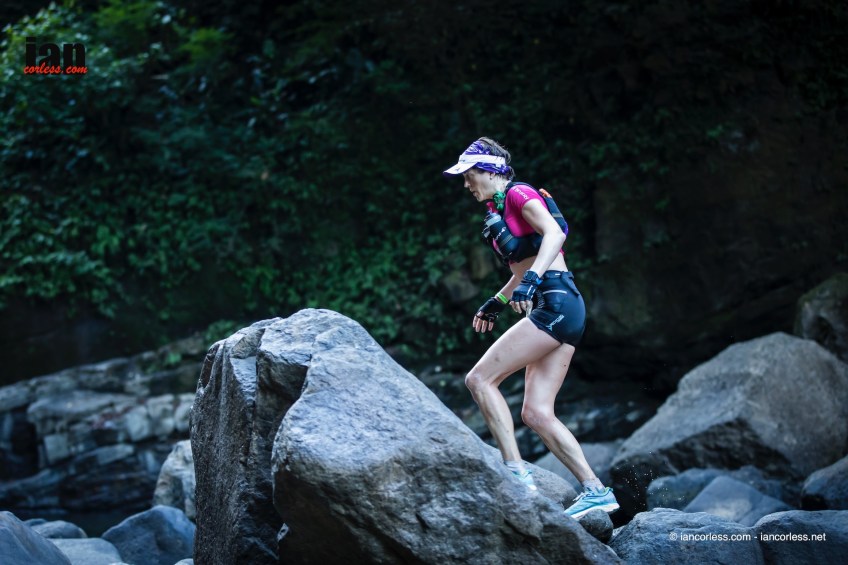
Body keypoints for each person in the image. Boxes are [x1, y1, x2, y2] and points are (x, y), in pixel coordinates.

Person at [443, 137, 619, 520]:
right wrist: (498, 300)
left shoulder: (519, 193)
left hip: (555, 302)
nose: (466, 184)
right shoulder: (498, 208)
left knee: (479, 380)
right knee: (537, 413)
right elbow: (523, 266)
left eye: (469, 175)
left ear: (489, 171)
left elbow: (555, 234)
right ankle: (597, 491)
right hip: (562, 305)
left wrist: (533, 281)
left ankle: (515, 474)